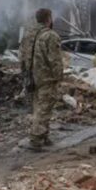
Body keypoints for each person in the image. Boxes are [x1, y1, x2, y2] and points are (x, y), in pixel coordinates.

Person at [19, 8, 63, 150]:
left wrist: (25, 73)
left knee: (38, 106)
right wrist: (59, 77)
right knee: (44, 109)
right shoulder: (50, 36)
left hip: (32, 77)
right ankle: (36, 139)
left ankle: (44, 135)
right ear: (48, 18)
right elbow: (55, 60)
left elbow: (21, 56)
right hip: (46, 78)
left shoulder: (28, 34)